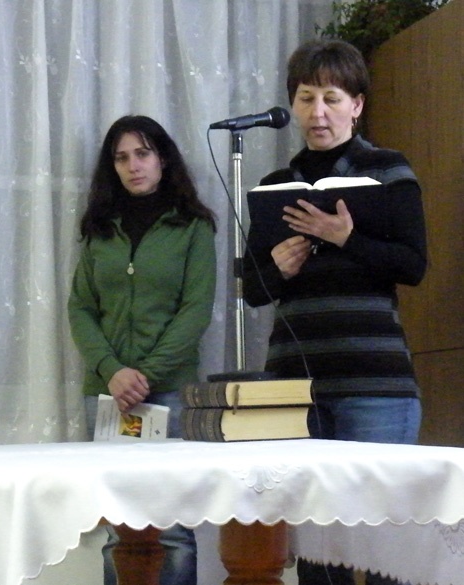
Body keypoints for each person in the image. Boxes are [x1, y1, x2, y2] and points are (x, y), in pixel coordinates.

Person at [243, 39, 427, 585]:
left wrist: (346, 237)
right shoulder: (276, 187)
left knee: (384, 549)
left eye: (331, 98)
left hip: (374, 384)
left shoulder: (388, 170)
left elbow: (413, 265)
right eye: (306, 98)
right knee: (318, 550)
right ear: (292, 105)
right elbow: (253, 289)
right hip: (294, 387)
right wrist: (278, 267)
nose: (317, 112)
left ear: (357, 105)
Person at [68, 114, 216, 585]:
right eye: (122, 158)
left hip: (169, 393)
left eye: (143, 153)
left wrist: (145, 374)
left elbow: (195, 310)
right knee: (120, 526)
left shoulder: (193, 226)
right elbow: (80, 308)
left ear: (163, 159)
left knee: (172, 529)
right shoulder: (100, 228)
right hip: (108, 396)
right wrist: (112, 370)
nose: (133, 166)